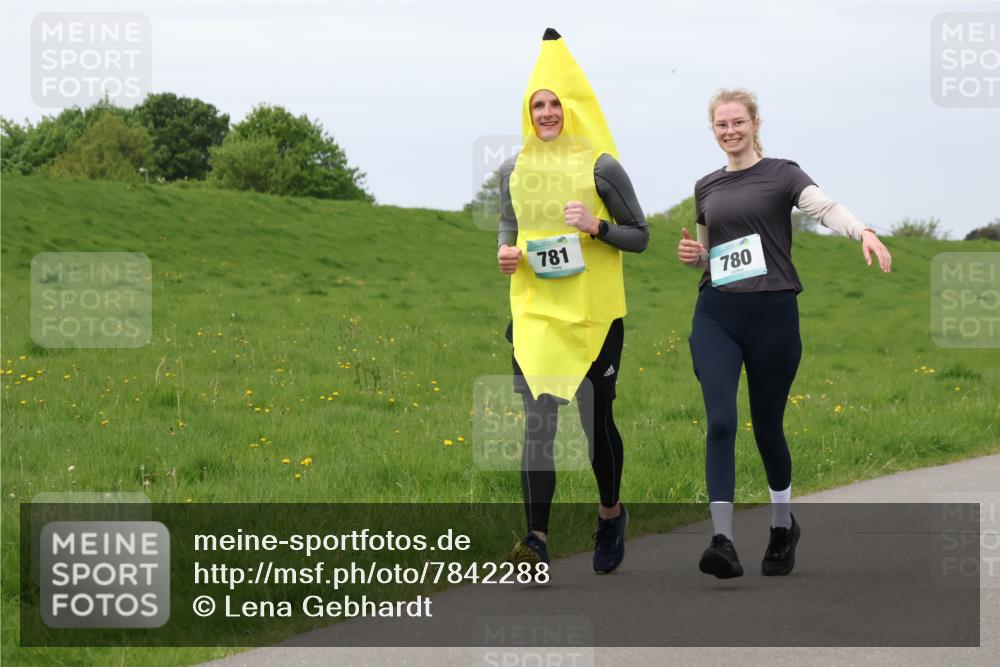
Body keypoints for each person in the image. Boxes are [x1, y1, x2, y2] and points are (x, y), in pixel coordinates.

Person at [677, 89, 892, 578]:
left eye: (737, 122)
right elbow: (711, 251)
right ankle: (723, 540)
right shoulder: (706, 185)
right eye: (720, 125)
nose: (729, 131)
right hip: (716, 312)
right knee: (721, 421)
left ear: (755, 123)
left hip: (773, 314)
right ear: (712, 130)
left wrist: (864, 232)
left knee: (767, 425)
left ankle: (780, 525)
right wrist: (697, 256)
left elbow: (824, 208)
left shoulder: (782, 173)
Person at [497, 28, 648, 574]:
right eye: (537, 104)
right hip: (535, 309)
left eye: (554, 103)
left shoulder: (601, 166)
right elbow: (508, 224)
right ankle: (534, 540)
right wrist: (505, 253)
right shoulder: (514, 170)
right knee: (539, 423)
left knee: (595, 419)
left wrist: (597, 225)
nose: (545, 112)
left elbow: (641, 234)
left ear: (570, 108)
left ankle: (610, 514)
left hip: (594, 316)